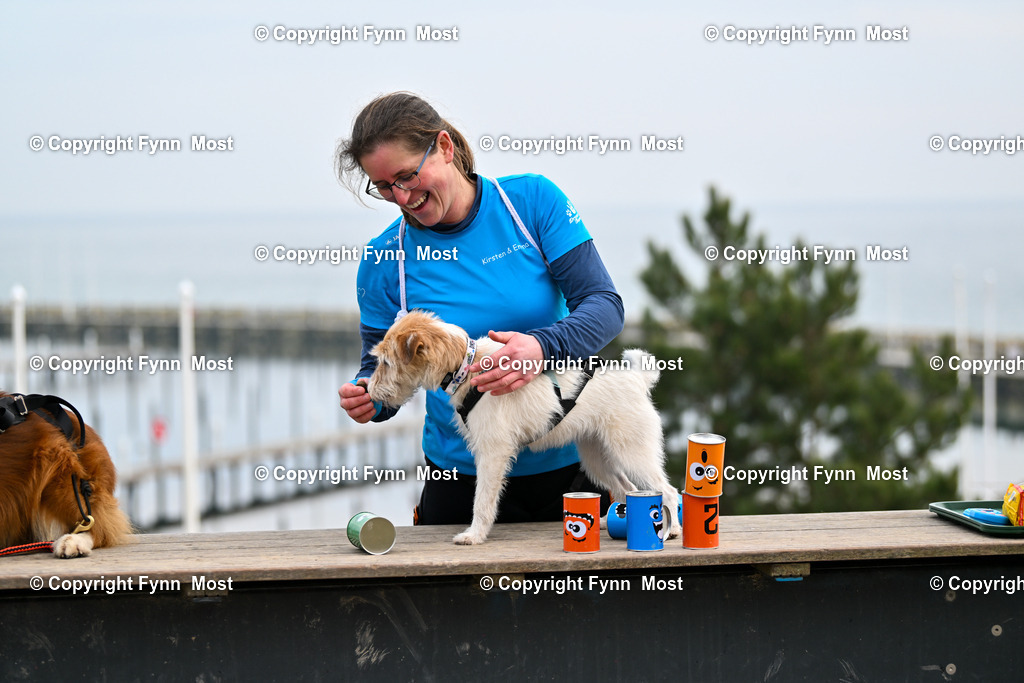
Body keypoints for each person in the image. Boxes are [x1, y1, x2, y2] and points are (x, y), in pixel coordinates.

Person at [336, 92, 622, 525]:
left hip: (568, 467)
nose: (401, 195)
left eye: (407, 175)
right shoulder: (383, 260)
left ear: (445, 148)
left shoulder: (531, 202)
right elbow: (379, 371)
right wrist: (369, 397)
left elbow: (604, 305)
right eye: (384, 187)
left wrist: (543, 347)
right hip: (461, 480)